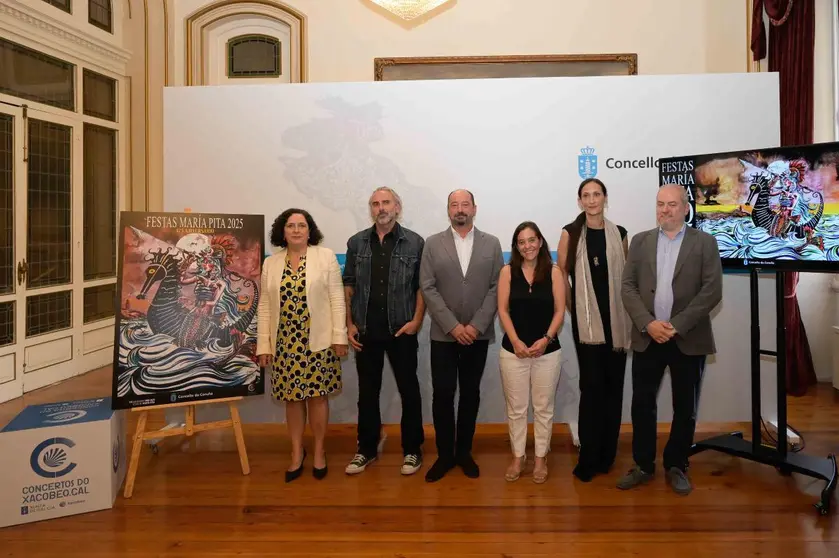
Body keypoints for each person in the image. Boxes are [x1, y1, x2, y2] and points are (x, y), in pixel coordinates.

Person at [619, 184, 723, 495]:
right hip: (647, 337)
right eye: (660, 204)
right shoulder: (640, 241)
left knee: (685, 407)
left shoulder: (705, 242)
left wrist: (675, 326)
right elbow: (628, 287)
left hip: (687, 338)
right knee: (642, 404)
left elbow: (712, 291)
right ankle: (643, 465)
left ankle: (677, 464)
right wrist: (648, 323)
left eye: (672, 204)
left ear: (686, 208)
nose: (665, 210)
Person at [256, 208, 348, 482]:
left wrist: (339, 337)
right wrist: (264, 344)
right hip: (285, 343)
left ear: (310, 231)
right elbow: (265, 306)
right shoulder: (271, 263)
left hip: (319, 342)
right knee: (292, 400)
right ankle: (297, 452)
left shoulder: (325, 257)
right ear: (282, 232)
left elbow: (337, 299)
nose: (296, 230)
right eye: (290, 225)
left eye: (302, 225)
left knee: (318, 398)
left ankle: (319, 451)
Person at [419, 189, 504, 482]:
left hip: (477, 335)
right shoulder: (433, 243)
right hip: (444, 335)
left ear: (474, 209)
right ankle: (445, 455)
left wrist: (476, 325)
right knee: (443, 394)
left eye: (465, 204)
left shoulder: (492, 243)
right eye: (454, 205)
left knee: (470, 394)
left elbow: (497, 286)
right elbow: (427, 287)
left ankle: (464, 452)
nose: (460, 209)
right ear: (448, 210)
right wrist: (453, 326)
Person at [342, 187, 426, 476]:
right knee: (367, 394)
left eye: (386, 202)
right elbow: (349, 284)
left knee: (409, 392)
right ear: (371, 209)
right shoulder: (356, 243)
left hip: (402, 330)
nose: (381, 208)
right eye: (375, 204)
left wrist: (417, 321)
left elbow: (421, 287)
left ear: (397, 207)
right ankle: (366, 449)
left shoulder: (415, 242)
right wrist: (349, 323)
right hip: (366, 330)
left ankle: (412, 450)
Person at [556, 178, 631, 482]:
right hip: (587, 325)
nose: (591, 200)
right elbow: (561, 274)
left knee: (614, 389)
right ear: (579, 201)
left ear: (604, 198)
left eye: (596, 194)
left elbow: (627, 280)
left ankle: (607, 456)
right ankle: (588, 458)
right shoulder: (570, 233)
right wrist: (573, 309)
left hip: (617, 323)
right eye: (585, 196)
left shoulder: (620, 234)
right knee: (591, 389)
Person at [497, 221, 565, 484]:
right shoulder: (507, 272)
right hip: (513, 352)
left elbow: (559, 311)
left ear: (540, 241)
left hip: (547, 352)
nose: (528, 246)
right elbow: (503, 310)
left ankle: (540, 458)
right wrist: (515, 341)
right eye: (522, 242)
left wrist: (546, 339)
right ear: (516, 246)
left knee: (543, 408)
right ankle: (518, 457)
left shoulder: (554, 272)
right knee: (516, 409)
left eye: (532, 240)